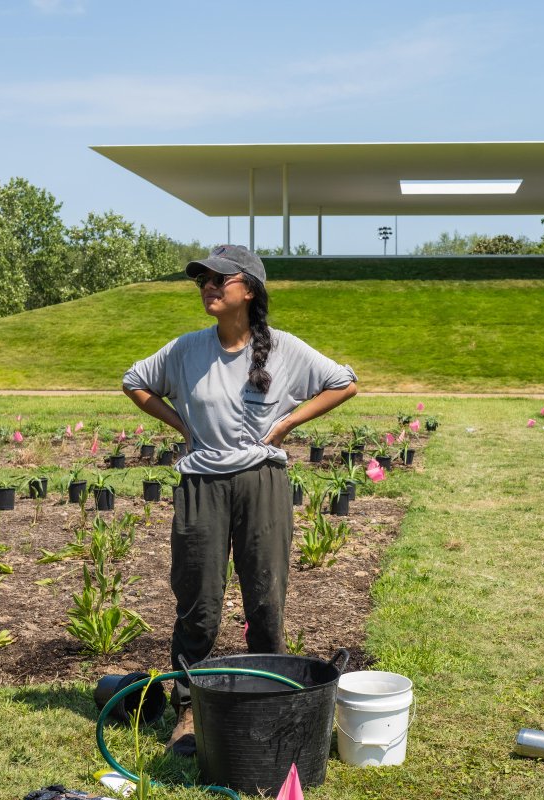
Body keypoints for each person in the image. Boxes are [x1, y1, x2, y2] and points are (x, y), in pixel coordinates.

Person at [121, 244, 357, 756]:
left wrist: (288, 421)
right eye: (203, 279)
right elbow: (135, 381)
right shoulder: (186, 350)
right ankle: (189, 709)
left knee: (265, 600)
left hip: (261, 483)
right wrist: (181, 424)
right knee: (198, 602)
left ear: (248, 289)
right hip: (201, 484)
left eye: (219, 279)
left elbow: (344, 383)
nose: (208, 286)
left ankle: (270, 700)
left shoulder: (284, 349)